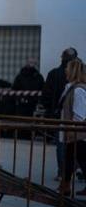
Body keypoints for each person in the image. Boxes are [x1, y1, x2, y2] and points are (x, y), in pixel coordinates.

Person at [40, 48, 79, 179]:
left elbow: (46, 96)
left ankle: (64, 173)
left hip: (61, 117)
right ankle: (70, 173)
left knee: (62, 145)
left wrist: (51, 111)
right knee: (73, 145)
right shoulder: (78, 77)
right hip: (70, 118)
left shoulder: (54, 74)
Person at [58, 58, 86, 197]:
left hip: (77, 133)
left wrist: (71, 129)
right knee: (70, 158)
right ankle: (65, 185)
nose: (65, 70)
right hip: (71, 131)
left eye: (68, 68)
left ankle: (65, 186)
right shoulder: (70, 87)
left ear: (73, 71)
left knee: (80, 159)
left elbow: (80, 114)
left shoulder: (79, 89)